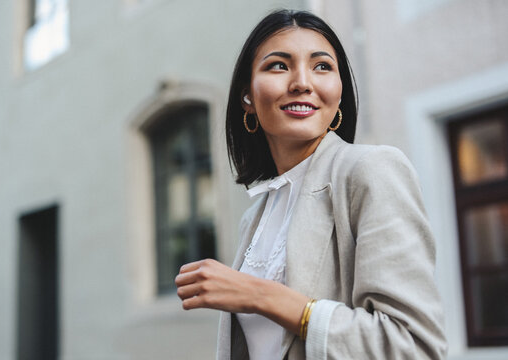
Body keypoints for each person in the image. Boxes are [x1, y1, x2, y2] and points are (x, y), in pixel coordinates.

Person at [175, 9, 447, 359]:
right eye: (278, 65)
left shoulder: (371, 170)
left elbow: (413, 346)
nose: (303, 82)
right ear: (247, 98)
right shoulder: (256, 216)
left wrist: (261, 296)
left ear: (338, 94)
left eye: (322, 66)